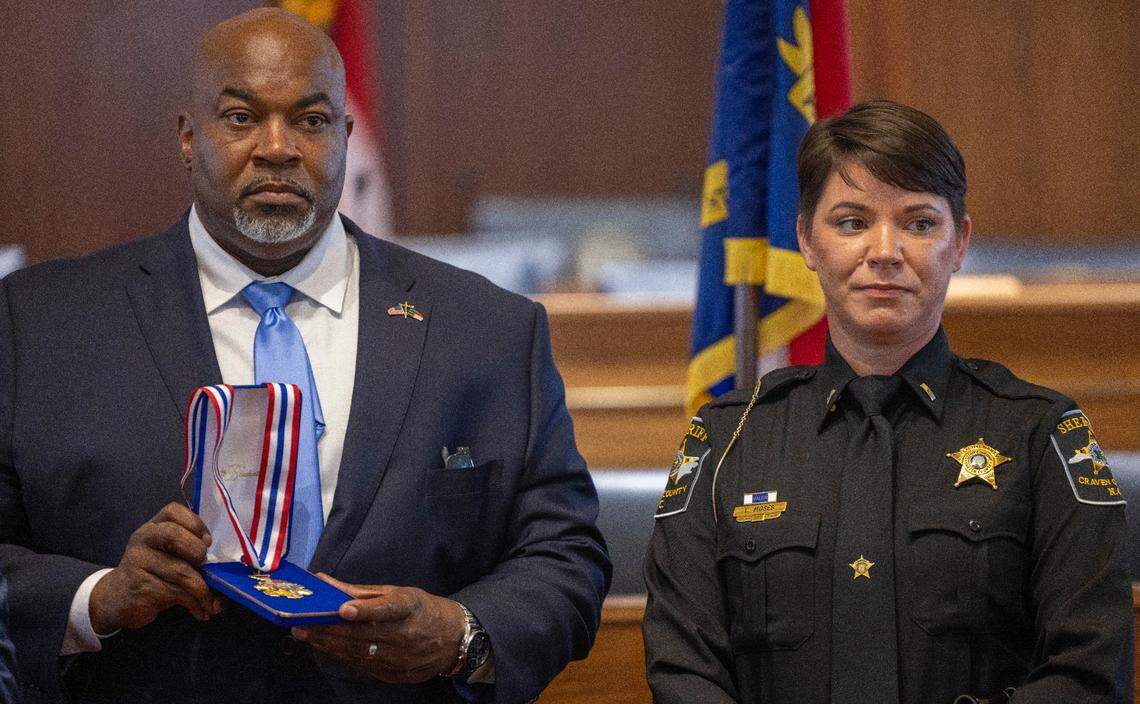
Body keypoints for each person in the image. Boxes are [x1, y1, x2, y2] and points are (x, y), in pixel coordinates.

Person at [0, 8, 609, 703]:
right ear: (187, 137)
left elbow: (566, 558)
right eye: (240, 117)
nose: (278, 147)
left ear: (347, 140)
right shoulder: (40, 325)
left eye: (312, 121)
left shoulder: (487, 330)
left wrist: (461, 632)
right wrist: (95, 597)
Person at [643, 100, 1132, 703]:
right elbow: (682, 669)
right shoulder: (725, 440)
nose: (884, 250)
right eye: (851, 222)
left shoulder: (1041, 435)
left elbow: (1090, 674)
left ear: (960, 244)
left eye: (919, 223)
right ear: (806, 241)